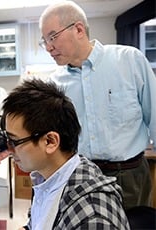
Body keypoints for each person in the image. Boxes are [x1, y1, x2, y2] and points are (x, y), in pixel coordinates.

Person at [38, 1, 155, 210]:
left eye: (53, 37)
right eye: (44, 41)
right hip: (80, 178)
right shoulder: (54, 84)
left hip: (129, 177)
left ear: (79, 29)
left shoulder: (129, 60)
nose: (48, 47)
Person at [1, 79, 130, 229]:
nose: (10, 151)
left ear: (50, 141)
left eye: (15, 142)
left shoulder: (90, 218)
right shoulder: (50, 177)